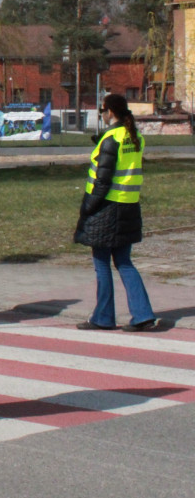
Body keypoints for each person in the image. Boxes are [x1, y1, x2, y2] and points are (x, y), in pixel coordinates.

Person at [74, 93, 157, 332]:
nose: (102, 115)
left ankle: (103, 317)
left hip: (106, 208)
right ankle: (143, 314)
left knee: (101, 264)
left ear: (110, 111)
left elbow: (102, 181)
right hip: (129, 206)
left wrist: (88, 209)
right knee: (124, 262)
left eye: (102, 111)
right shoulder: (135, 136)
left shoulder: (111, 138)